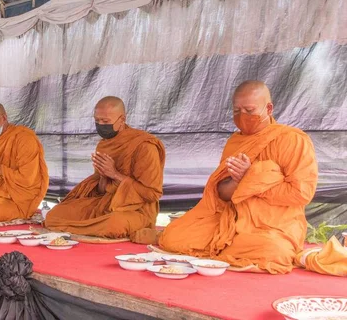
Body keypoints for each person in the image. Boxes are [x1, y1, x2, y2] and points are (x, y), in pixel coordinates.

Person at [158, 80, 318, 274]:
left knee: (273, 250)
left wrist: (253, 177)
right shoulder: (235, 142)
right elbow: (222, 194)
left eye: (249, 110)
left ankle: (233, 250)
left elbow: (301, 194)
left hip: (271, 226)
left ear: (268, 108)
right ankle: (229, 249)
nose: (243, 116)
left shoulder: (292, 140)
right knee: (173, 236)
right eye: (236, 111)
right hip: (229, 222)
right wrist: (240, 181)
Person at [44, 96, 165, 241]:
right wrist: (103, 176)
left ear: (122, 119)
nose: (100, 125)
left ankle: (82, 228)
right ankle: (88, 228)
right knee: (54, 215)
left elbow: (152, 194)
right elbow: (101, 191)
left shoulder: (144, 146)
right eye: (97, 121)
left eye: (106, 121)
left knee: (113, 225)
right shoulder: (104, 145)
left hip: (136, 211)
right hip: (105, 204)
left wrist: (115, 174)